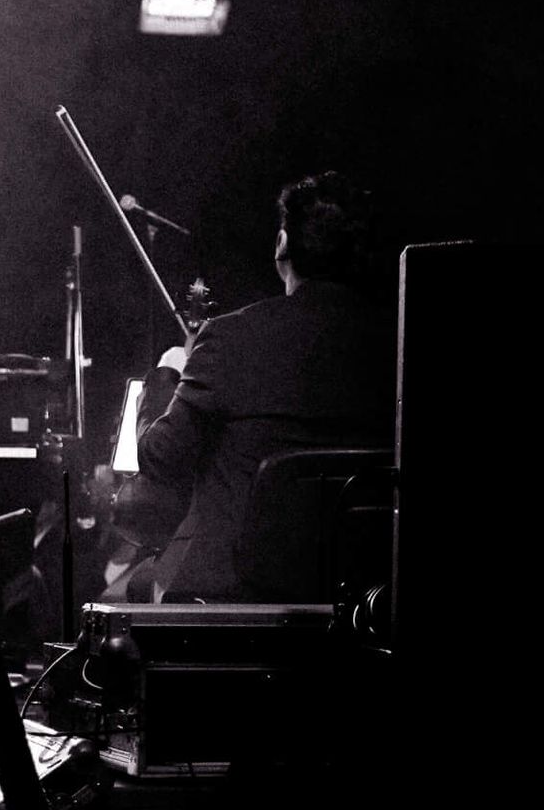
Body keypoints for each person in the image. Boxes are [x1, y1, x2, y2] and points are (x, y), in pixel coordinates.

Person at [133, 171, 396, 601]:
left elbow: (160, 459)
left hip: (234, 588)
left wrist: (167, 374)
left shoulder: (233, 338)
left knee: (117, 599)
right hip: (360, 589)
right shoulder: (395, 342)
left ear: (281, 246)